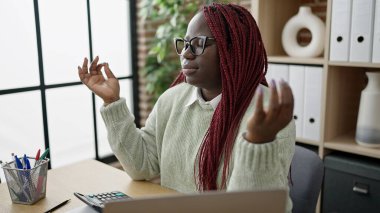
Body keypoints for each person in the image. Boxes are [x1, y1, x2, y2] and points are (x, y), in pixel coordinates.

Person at [78, 3, 295, 212]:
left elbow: (252, 208)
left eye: (198, 43)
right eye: (185, 43)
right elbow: (141, 166)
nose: (185, 53)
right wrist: (112, 102)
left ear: (233, 49)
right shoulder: (172, 99)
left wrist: (257, 143)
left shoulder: (268, 114)